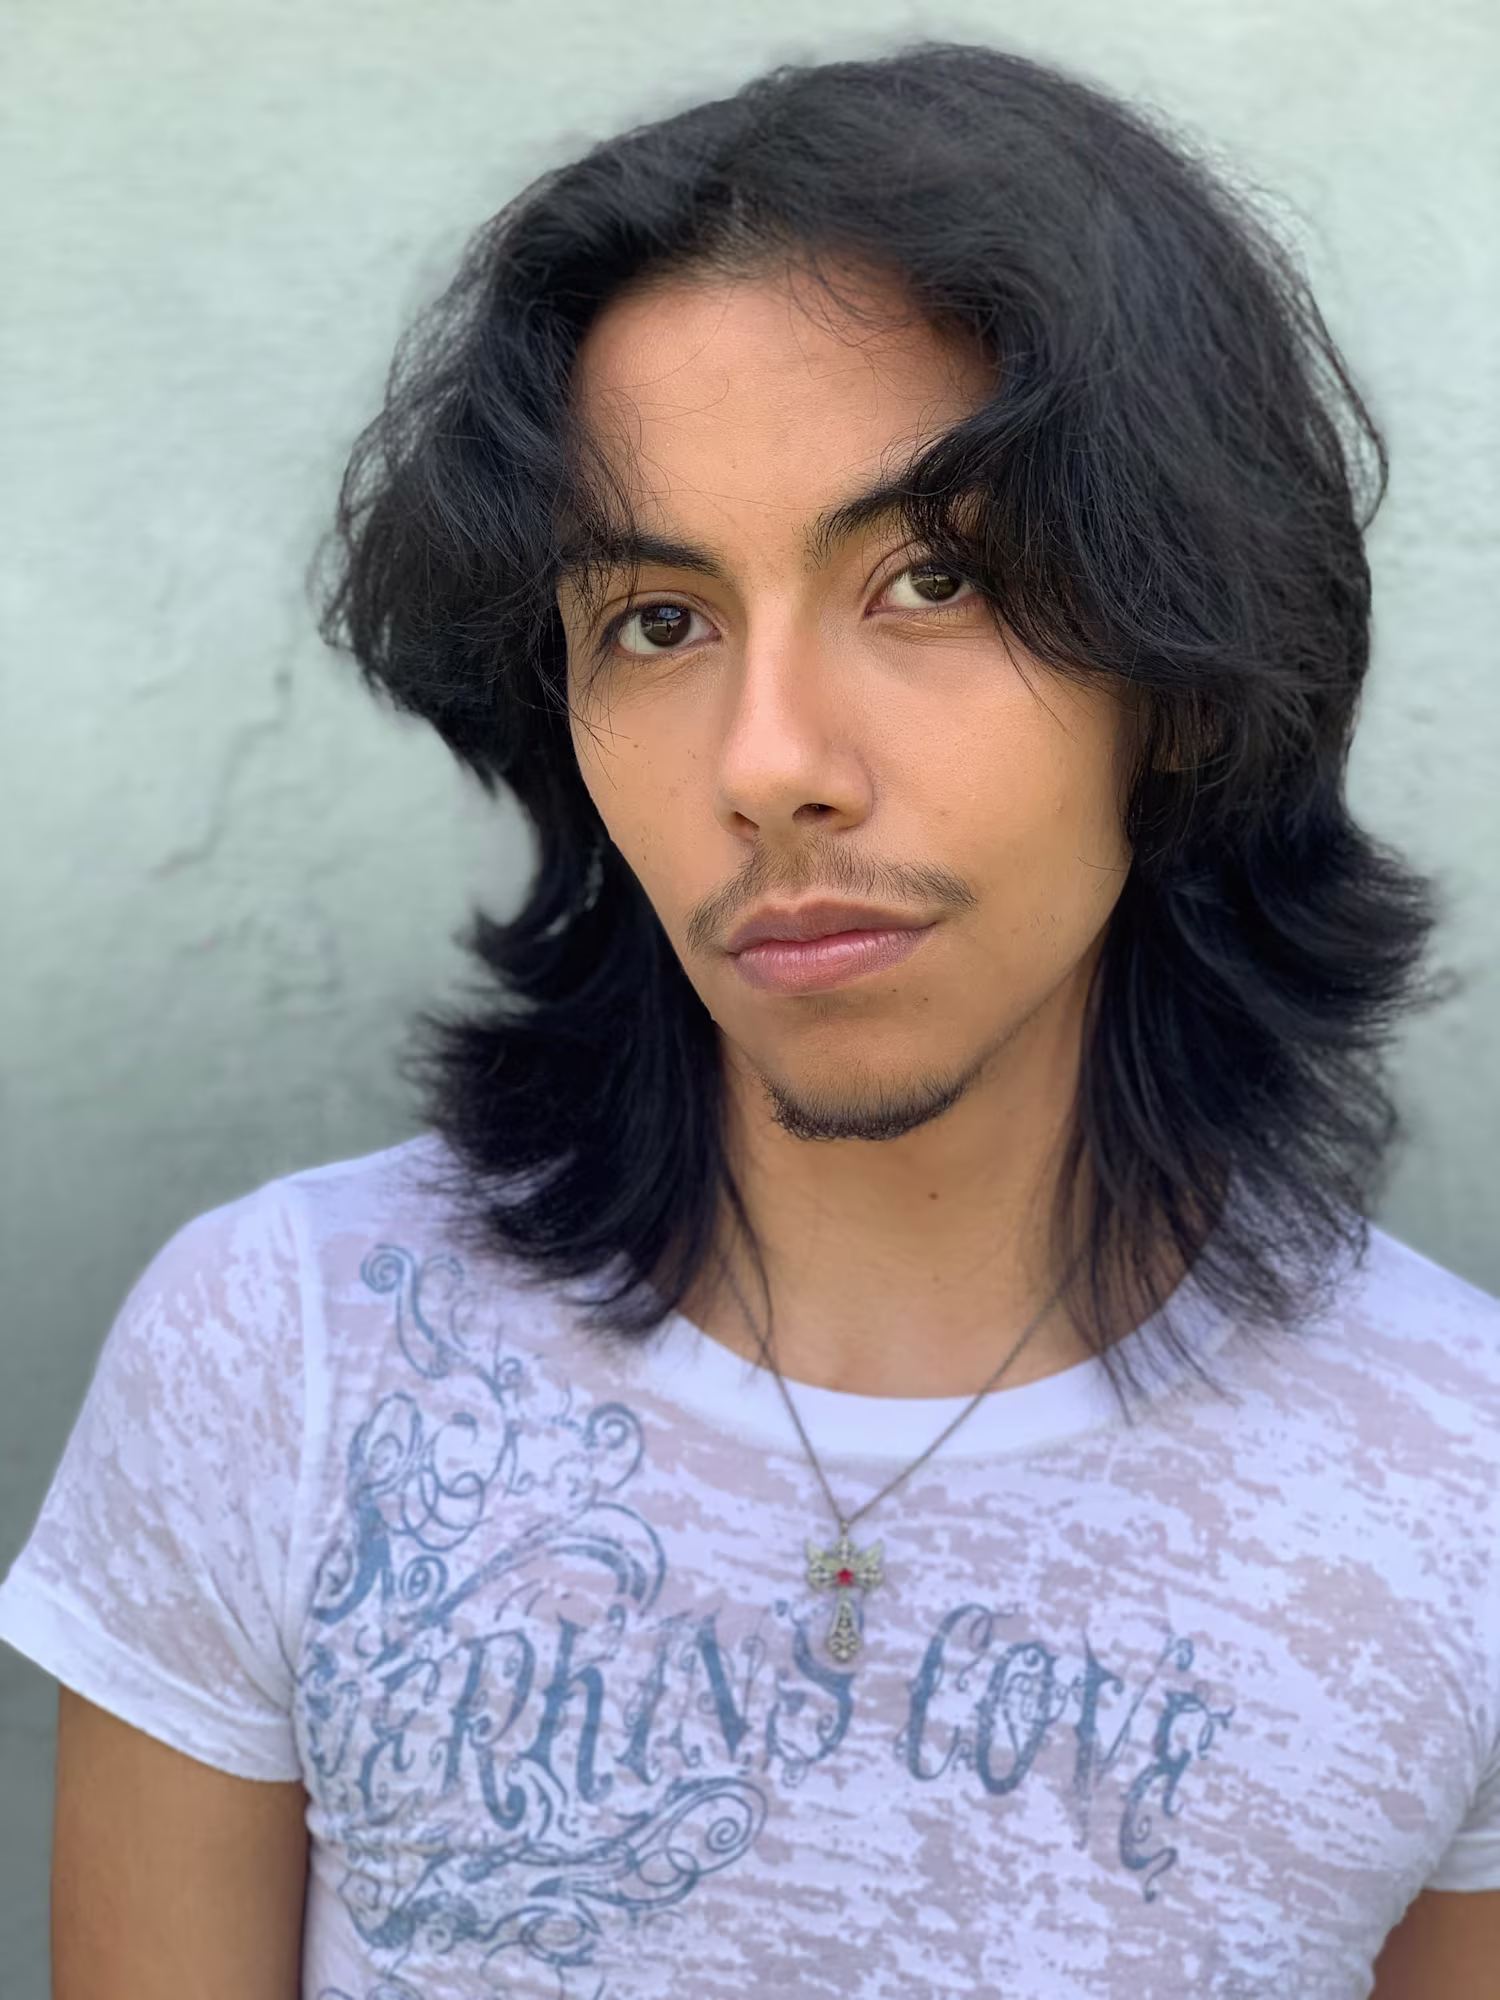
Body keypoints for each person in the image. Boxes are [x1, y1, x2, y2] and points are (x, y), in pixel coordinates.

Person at [2, 40, 1497, 2000]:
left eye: (934, 578)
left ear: (1189, 672)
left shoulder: (1459, 1490)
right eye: (658, 621)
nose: (769, 761)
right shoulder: (283, 1359)